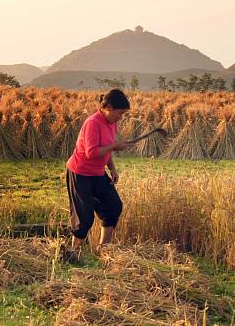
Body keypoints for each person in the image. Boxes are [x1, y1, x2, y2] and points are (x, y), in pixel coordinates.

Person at [63, 88, 163, 262]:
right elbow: (91, 152)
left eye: (123, 114)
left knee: (113, 206)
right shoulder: (92, 123)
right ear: (108, 107)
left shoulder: (112, 123)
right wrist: (114, 146)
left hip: (98, 173)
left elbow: (106, 151)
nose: (121, 117)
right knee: (84, 216)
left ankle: (103, 249)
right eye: (120, 112)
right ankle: (73, 253)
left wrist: (112, 169)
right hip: (80, 173)